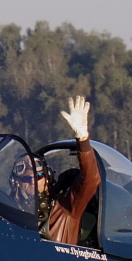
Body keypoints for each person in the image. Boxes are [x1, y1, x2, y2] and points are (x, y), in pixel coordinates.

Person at [43, 95, 101, 246]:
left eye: (34, 177)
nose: (28, 183)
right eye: (22, 178)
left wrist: (82, 138)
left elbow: (91, 179)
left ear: (46, 180)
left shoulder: (64, 209)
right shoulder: (13, 214)